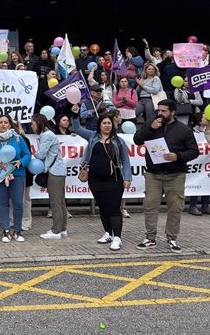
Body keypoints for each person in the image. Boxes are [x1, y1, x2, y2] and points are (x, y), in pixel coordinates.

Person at [134, 99, 199, 253]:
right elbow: (137, 140)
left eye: (163, 111)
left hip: (175, 174)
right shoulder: (152, 124)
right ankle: (150, 238)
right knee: (150, 206)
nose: (160, 114)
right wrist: (150, 127)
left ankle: (172, 238)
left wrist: (178, 156)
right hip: (153, 174)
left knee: (175, 208)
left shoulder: (184, 130)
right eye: (159, 110)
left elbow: (194, 151)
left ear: (173, 112)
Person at [72, 107, 132, 250]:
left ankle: (117, 237)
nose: (107, 125)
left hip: (114, 180)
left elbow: (125, 160)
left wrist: (128, 178)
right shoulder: (93, 136)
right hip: (95, 180)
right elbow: (78, 128)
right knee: (103, 208)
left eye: (109, 123)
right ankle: (108, 233)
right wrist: (75, 114)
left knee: (113, 208)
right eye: (104, 123)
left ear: (113, 125)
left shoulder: (119, 141)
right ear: (99, 125)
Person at [0, 115, 31, 243]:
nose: (3, 124)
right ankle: (6, 230)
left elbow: (27, 155)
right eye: (0, 122)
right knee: (3, 202)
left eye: (6, 122)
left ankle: (17, 230)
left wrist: (21, 162)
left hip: (17, 174)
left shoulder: (18, 139)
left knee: (18, 203)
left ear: (10, 124)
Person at [32, 114, 68, 240]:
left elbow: (41, 154)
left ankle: (56, 230)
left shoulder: (46, 135)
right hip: (58, 171)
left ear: (39, 123)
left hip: (54, 172)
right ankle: (62, 229)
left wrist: (34, 154)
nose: (32, 126)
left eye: (33, 124)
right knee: (61, 202)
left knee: (55, 202)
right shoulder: (49, 134)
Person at [187, 113, 210, 216]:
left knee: (207, 184)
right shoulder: (190, 132)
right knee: (196, 183)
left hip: (207, 163)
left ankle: (205, 206)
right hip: (196, 164)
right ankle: (193, 205)